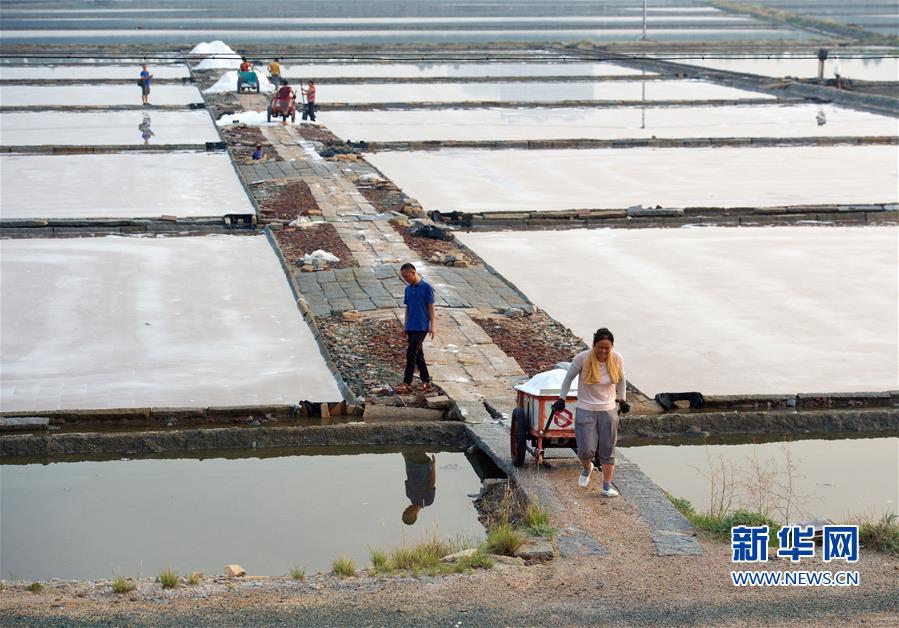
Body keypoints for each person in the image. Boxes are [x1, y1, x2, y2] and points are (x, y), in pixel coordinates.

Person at [554, 327, 630, 497]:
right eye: (600, 347)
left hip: (608, 410)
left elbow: (622, 380)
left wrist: (623, 400)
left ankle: (606, 485)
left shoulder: (617, 358)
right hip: (585, 409)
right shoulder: (582, 358)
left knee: (607, 449)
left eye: (607, 348)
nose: (603, 351)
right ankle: (587, 467)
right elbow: (568, 379)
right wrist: (561, 398)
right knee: (585, 450)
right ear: (594, 345)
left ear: (611, 347)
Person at [396, 262, 434, 394]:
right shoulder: (408, 289)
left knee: (411, 352)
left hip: (422, 326)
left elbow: (431, 308)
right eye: (403, 277)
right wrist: (405, 325)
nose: (405, 279)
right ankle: (426, 380)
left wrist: (432, 326)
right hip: (411, 325)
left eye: (406, 276)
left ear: (413, 273)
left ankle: (407, 382)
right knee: (418, 354)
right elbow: (408, 308)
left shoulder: (426, 288)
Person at [401, 452, 436, 525]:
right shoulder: (427, 501)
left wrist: (405, 458)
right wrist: (433, 466)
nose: (406, 509)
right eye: (407, 512)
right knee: (418, 448)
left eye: (405, 511)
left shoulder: (409, 495)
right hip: (422, 464)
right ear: (414, 516)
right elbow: (432, 483)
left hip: (409, 461)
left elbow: (408, 475)